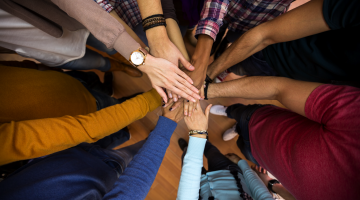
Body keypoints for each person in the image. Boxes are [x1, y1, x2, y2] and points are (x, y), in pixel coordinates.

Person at [0, 0, 201, 103]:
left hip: (82, 17)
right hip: (59, 24)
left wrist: (153, 48)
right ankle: (119, 66)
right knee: (93, 56)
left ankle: (125, 64)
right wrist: (146, 57)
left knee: (107, 45)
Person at [203, 75, 360, 199]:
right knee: (239, 112)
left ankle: (237, 127)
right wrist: (207, 91)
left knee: (241, 145)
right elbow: (280, 89)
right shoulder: (355, 121)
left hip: (261, 160)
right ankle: (229, 111)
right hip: (260, 120)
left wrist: (272, 186)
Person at [0, 102, 183, 200]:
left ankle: (141, 140)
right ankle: (146, 141)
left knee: (119, 145)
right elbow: (128, 193)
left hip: (63, 155)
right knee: (131, 155)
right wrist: (164, 129)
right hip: (104, 169)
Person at [0, 62, 162, 166]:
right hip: (85, 109)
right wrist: (157, 96)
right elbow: (84, 128)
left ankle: (110, 92)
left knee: (90, 81)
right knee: (112, 105)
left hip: (59, 80)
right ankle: (121, 104)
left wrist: (41, 69)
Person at [179, 0, 293, 117]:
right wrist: (201, 62)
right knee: (215, 38)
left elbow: (262, 37)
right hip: (227, 9)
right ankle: (211, 56)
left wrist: (206, 74)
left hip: (257, 20)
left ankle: (218, 66)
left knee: (232, 45)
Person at [206, 0, 360, 85]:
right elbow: (265, 35)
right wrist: (206, 74)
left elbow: (278, 90)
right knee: (236, 58)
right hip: (274, 52)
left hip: (295, 81)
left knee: (237, 57)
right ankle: (219, 65)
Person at [176, 101, 274, 200]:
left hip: (198, 189)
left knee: (186, 157)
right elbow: (261, 193)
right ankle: (204, 142)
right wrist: (241, 163)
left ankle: (187, 148)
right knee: (211, 151)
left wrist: (197, 135)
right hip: (229, 173)